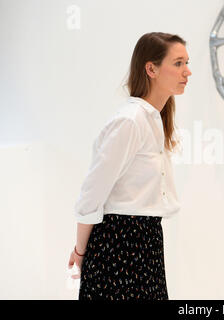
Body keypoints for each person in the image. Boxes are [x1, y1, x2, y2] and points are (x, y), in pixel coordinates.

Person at [67, 32, 192, 300]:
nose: (187, 71)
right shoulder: (130, 121)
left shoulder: (154, 120)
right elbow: (92, 193)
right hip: (119, 244)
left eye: (187, 63)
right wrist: (80, 250)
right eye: (178, 63)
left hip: (145, 240)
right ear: (151, 69)